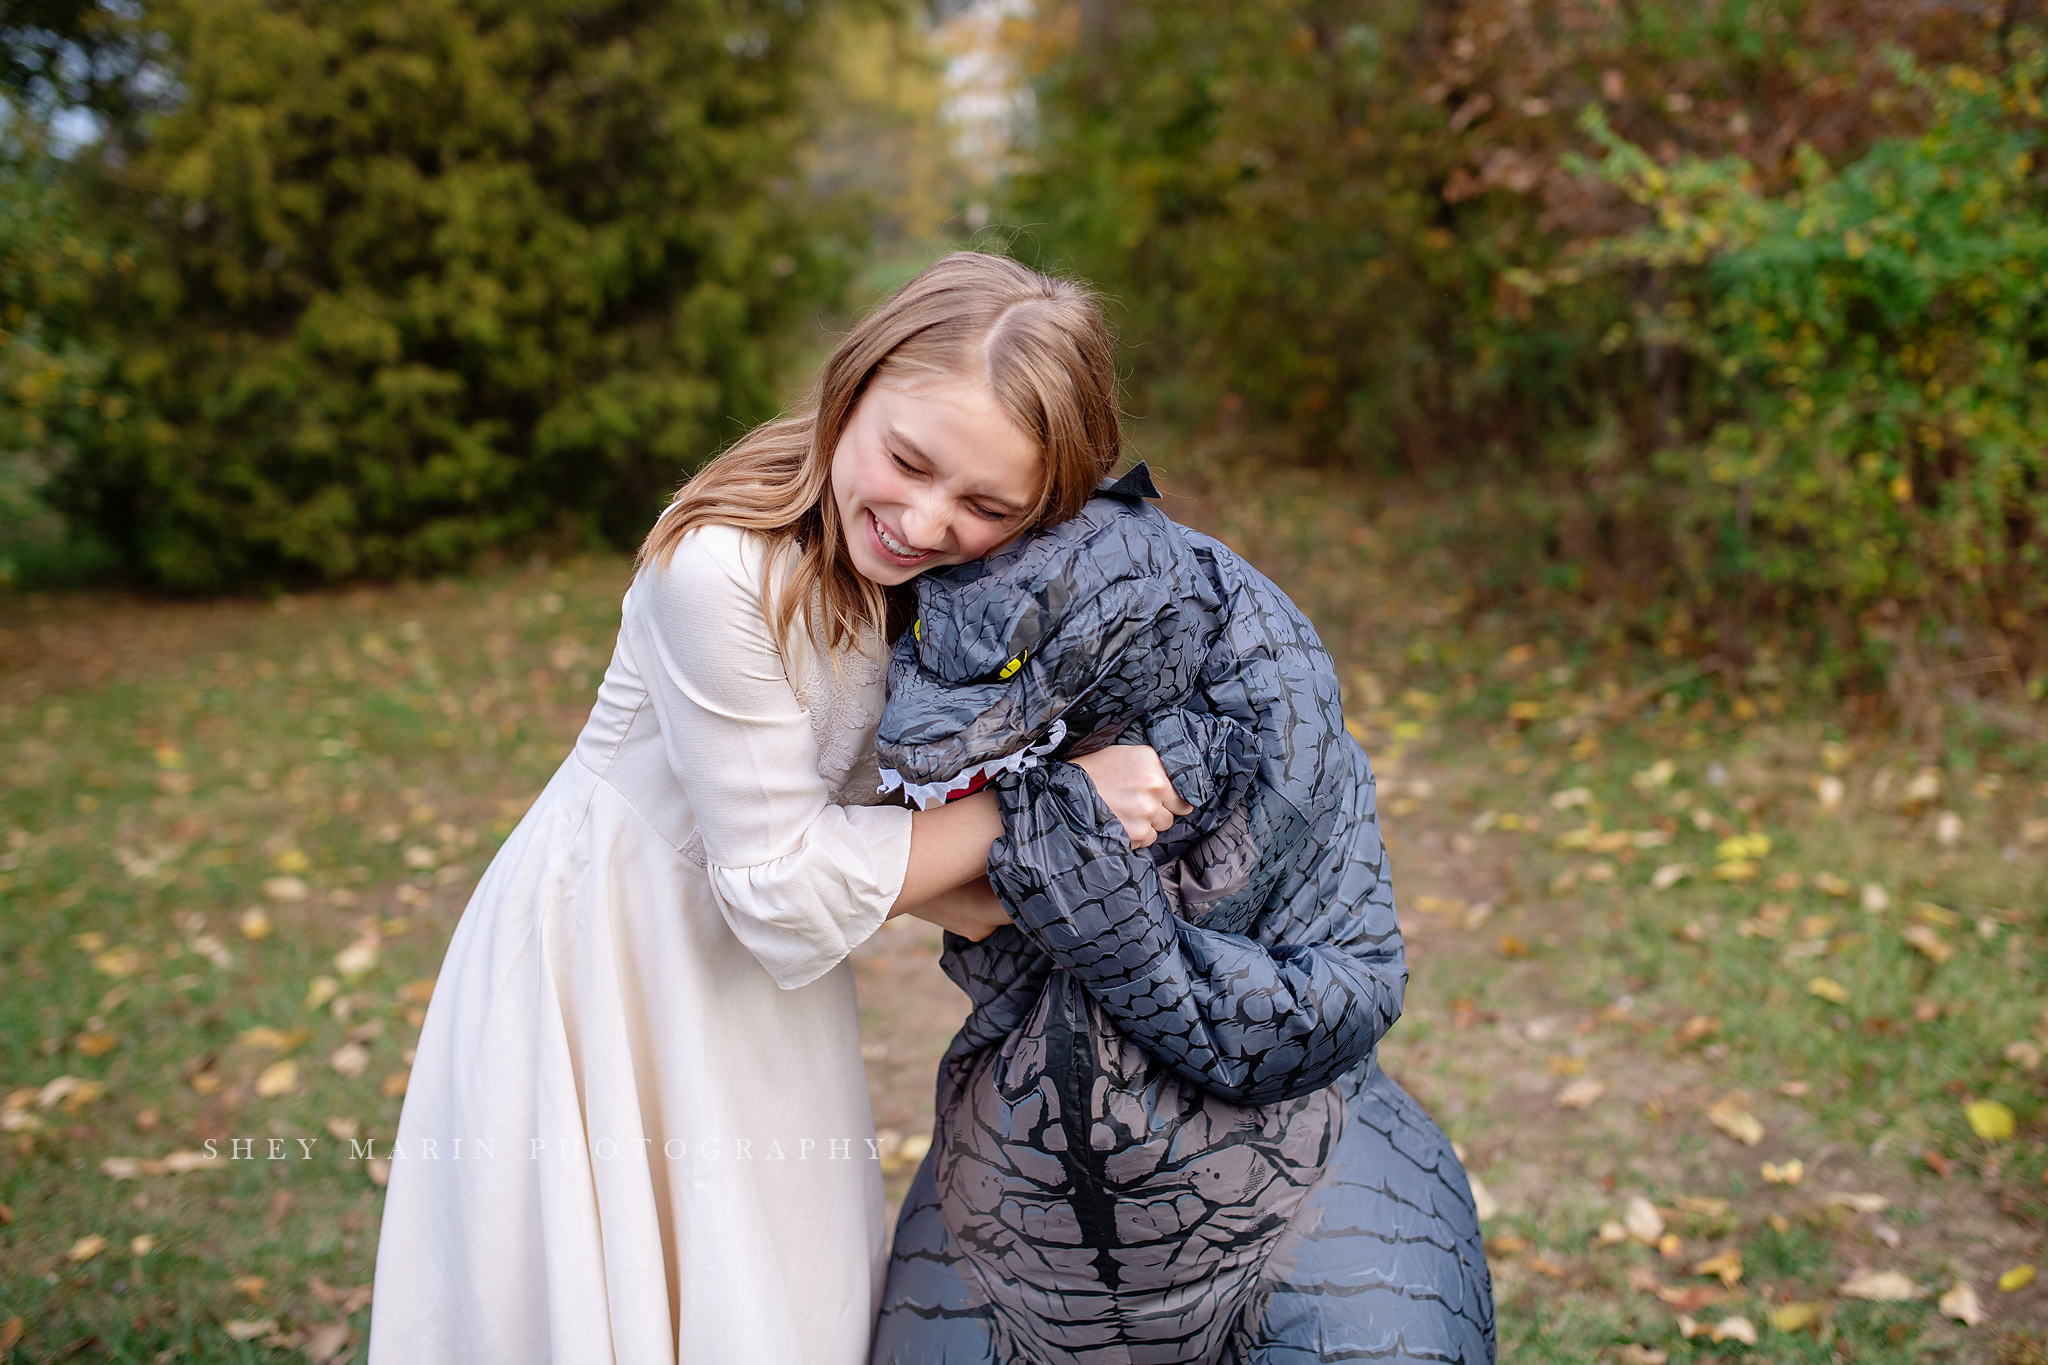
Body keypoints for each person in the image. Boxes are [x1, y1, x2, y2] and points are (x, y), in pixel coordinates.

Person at [365, 252, 1189, 1365]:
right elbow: (779, 877)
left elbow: (892, 828)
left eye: (985, 505)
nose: (922, 520)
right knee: (611, 1278)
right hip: (618, 954)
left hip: (769, 965)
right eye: (906, 461)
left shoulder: (958, 592)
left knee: (768, 1281)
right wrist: (1053, 812)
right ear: (852, 387)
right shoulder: (716, 570)